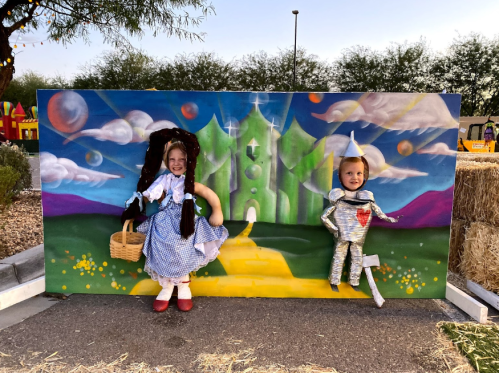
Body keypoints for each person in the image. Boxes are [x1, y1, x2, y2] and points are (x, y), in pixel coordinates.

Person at [122, 128, 228, 313]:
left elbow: (208, 194)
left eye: (181, 159)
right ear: (166, 161)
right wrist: (137, 204)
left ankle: (184, 288)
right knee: (163, 251)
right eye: (172, 159)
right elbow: (148, 194)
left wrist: (217, 211)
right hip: (164, 225)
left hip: (185, 225)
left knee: (183, 251)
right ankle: (167, 288)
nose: (177, 163)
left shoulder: (190, 183)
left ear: (188, 162)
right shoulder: (163, 181)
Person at [321, 132, 397, 292]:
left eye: (359, 173)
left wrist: (388, 218)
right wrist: (334, 228)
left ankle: (354, 282)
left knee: (356, 257)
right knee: (339, 255)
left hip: (358, 235)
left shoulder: (366, 199)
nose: (354, 177)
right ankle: (334, 281)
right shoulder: (338, 198)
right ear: (340, 176)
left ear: (365, 175)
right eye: (349, 173)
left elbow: (377, 211)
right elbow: (324, 216)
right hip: (342, 234)